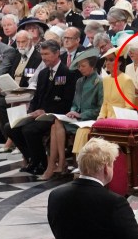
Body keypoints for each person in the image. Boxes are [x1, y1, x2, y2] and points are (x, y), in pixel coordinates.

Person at [4, 40, 79, 175]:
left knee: (29, 130)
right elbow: (37, 97)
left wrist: (45, 111)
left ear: (57, 54)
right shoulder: (43, 73)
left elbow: (66, 101)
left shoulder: (67, 73)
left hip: (54, 115)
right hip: (38, 113)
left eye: (46, 54)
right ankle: (32, 158)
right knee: (10, 127)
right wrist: (30, 112)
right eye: (42, 54)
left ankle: (42, 163)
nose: (43, 57)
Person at [41, 49, 103, 180]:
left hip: (89, 119)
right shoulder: (80, 81)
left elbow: (100, 108)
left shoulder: (99, 82)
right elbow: (75, 102)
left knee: (55, 125)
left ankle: (58, 164)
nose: (80, 69)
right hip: (77, 118)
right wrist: (72, 111)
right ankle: (58, 162)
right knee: (55, 123)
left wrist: (81, 115)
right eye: (79, 66)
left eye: (83, 66)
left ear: (92, 66)